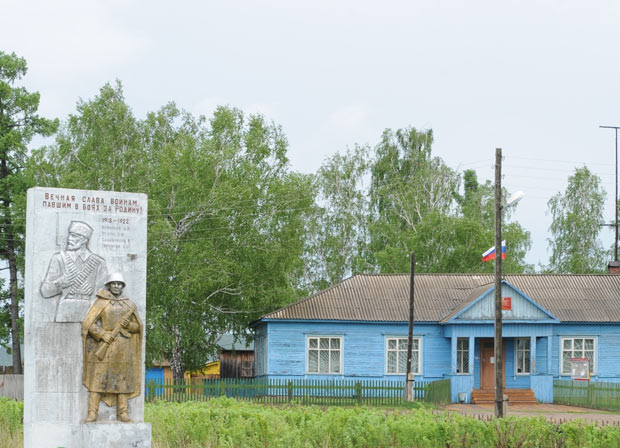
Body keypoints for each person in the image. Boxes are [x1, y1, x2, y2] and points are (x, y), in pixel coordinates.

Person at [82, 272, 142, 423]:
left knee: (122, 380)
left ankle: (122, 412)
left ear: (123, 286)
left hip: (124, 348)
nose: (116, 286)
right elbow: (88, 323)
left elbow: (138, 327)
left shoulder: (129, 304)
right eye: (114, 283)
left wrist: (129, 325)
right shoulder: (101, 302)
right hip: (106, 345)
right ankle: (92, 412)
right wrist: (102, 334)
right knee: (98, 378)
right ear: (109, 285)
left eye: (119, 284)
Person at [40, 220, 107, 320]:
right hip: (64, 310)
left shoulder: (98, 262)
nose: (69, 239)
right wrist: (61, 283)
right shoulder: (59, 258)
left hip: (90, 311)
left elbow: (103, 293)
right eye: (69, 235)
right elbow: (44, 291)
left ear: (84, 240)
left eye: (73, 236)